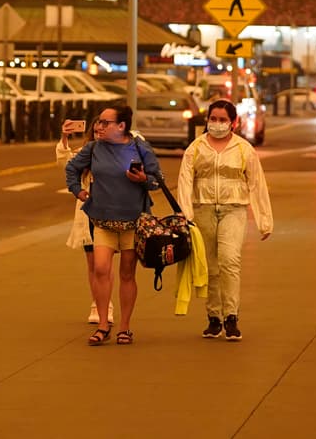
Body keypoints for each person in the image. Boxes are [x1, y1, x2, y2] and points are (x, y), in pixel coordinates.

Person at [64, 105, 163, 346]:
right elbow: (71, 168)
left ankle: (125, 328)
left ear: (121, 126)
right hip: (102, 220)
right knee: (100, 269)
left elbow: (157, 180)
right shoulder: (94, 148)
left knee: (127, 274)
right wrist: (78, 191)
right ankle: (103, 324)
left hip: (133, 222)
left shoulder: (139, 147)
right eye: (99, 122)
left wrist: (143, 179)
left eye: (105, 123)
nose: (99, 126)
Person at [176, 99, 273, 342]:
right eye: (213, 119)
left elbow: (257, 184)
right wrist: (186, 214)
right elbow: (185, 182)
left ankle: (231, 317)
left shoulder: (244, 149)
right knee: (210, 266)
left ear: (233, 123)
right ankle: (213, 318)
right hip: (203, 210)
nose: (217, 124)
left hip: (234, 209)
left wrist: (264, 220)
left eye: (222, 120)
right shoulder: (195, 148)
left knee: (230, 260)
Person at [56, 119, 113, 325]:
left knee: (104, 264)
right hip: (88, 214)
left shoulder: (119, 152)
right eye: (96, 131)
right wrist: (64, 137)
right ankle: (98, 303)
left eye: (103, 130)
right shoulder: (84, 153)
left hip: (110, 214)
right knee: (93, 264)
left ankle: (105, 305)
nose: (99, 135)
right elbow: (65, 164)